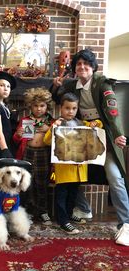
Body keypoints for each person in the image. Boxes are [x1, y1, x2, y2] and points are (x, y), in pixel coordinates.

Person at [51, 48, 129, 245]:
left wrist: (119, 134)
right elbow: (57, 99)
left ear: (93, 67)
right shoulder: (71, 85)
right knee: (72, 172)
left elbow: (112, 110)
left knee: (114, 176)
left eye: (86, 64)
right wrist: (55, 86)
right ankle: (84, 208)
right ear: (75, 68)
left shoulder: (102, 83)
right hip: (80, 137)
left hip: (104, 137)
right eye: (78, 64)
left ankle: (125, 223)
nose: (82, 67)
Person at [43, 92, 102, 234]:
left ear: (77, 109)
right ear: (61, 109)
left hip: (79, 170)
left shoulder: (81, 123)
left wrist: (95, 123)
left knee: (73, 194)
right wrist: (53, 128)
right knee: (61, 195)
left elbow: (98, 125)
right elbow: (46, 141)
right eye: (67, 108)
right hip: (63, 169)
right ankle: (62, 221)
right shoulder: (57, 124)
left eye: (74, 108)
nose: (70, 111)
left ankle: (69, 215)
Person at [13, 87, 53, 225]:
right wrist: (18, 134)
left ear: (47, 106)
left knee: (42, 183)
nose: (39, 109)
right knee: (26, 183)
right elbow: (16, 139)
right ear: (30, 106)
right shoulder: (26, 120)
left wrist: (50, 130)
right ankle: (25, 211)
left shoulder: (50, 121)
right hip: (27, 153)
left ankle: (42, 211)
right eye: (35, 106)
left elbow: (58, 139)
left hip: (43, 154)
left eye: (42, 106)